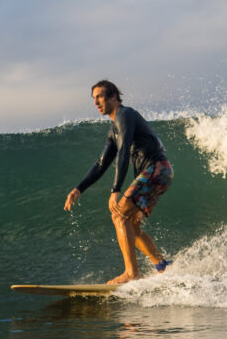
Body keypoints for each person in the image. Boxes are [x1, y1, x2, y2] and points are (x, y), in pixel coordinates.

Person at [64, 80, 173, 284]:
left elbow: (123, 152)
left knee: (119, 214)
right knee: (132, 224)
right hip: (161, 172)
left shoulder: (125, 115)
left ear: (113, 96)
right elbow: (101, 164)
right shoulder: (114, 129)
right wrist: (79, 189)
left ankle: (132, 273)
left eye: (100, 96)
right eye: (94, 98)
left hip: (156, 168)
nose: (96, 102)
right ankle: (162, 266)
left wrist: (115, 190)